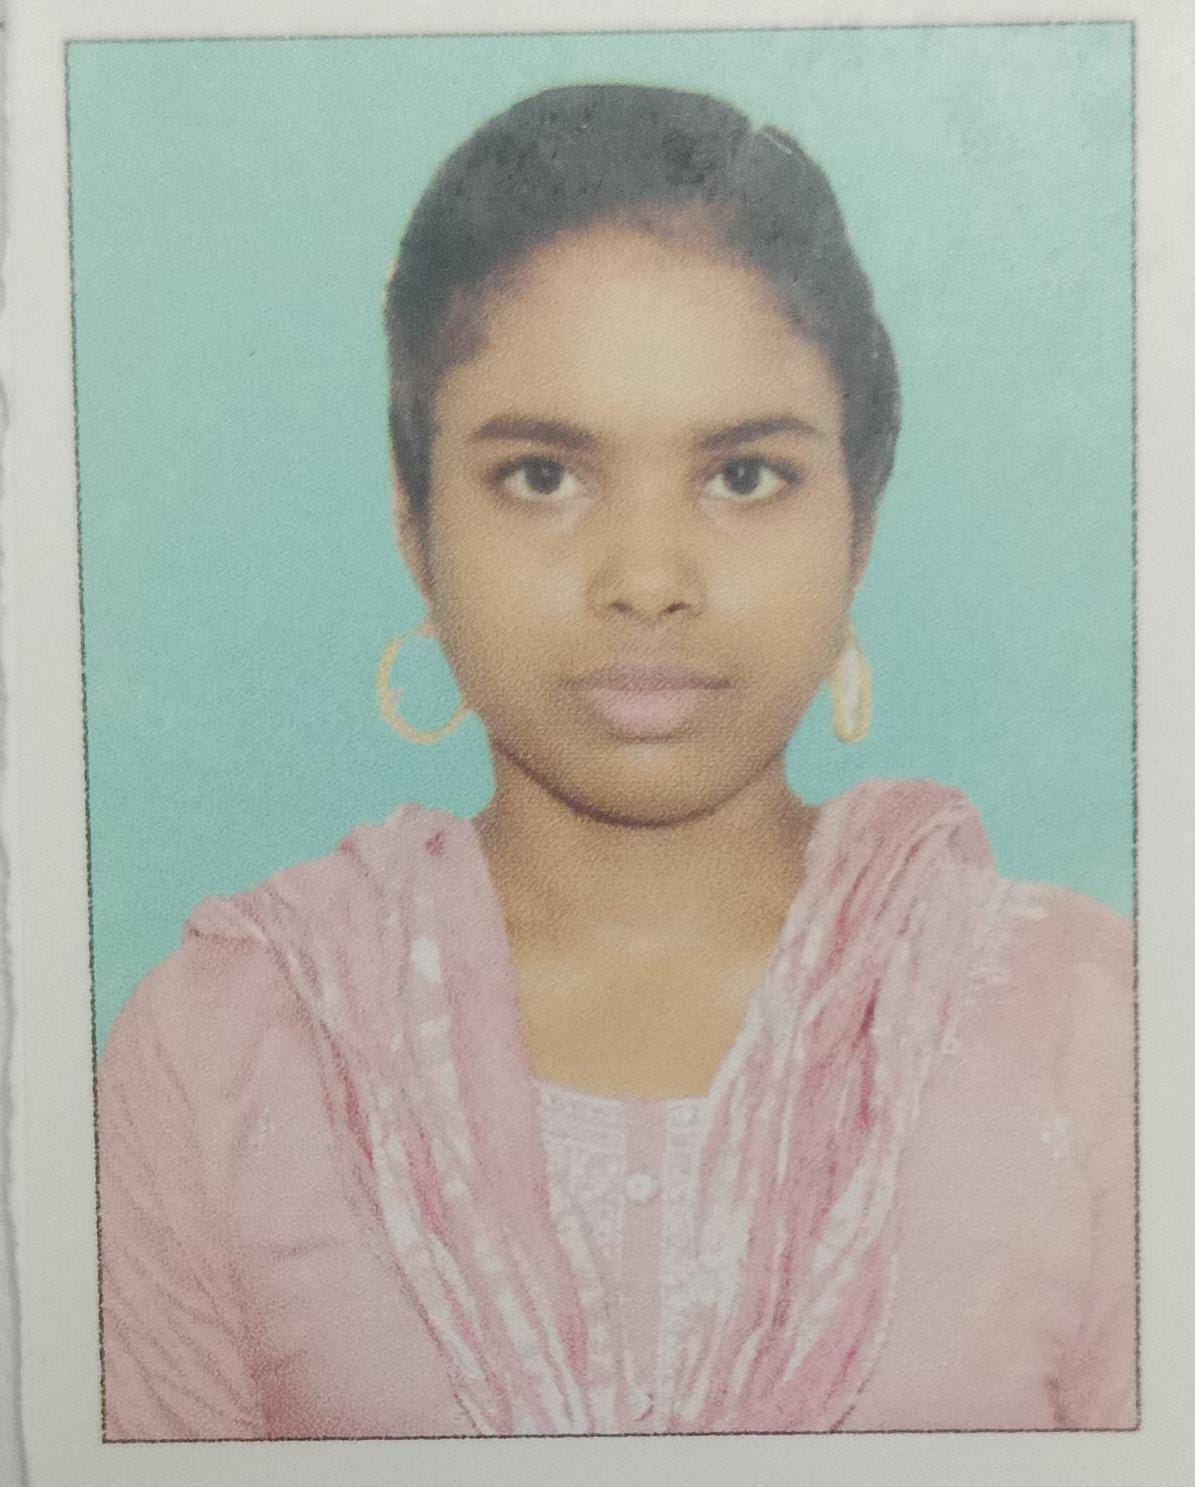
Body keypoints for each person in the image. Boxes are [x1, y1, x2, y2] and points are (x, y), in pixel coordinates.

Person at [96, 84, 1135, 1438]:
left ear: (861, 525)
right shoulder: (223, 1049)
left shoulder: (1094, 1034)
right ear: (416, 526)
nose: (647, 578)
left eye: (743, 475)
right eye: (544, 475)